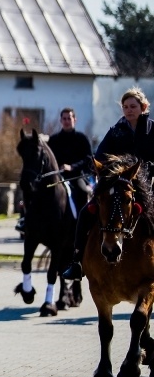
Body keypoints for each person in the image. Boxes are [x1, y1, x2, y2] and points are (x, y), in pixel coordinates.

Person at [62, 87, 154, 280]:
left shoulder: (152, 129)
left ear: (143, 107)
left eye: (133, 106)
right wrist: (105, 169)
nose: (129, 110)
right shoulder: (115, 131)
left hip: (148, 187)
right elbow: (99, 156)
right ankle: (77, 262)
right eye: (125, 107)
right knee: (85, 213)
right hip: (121, 187)